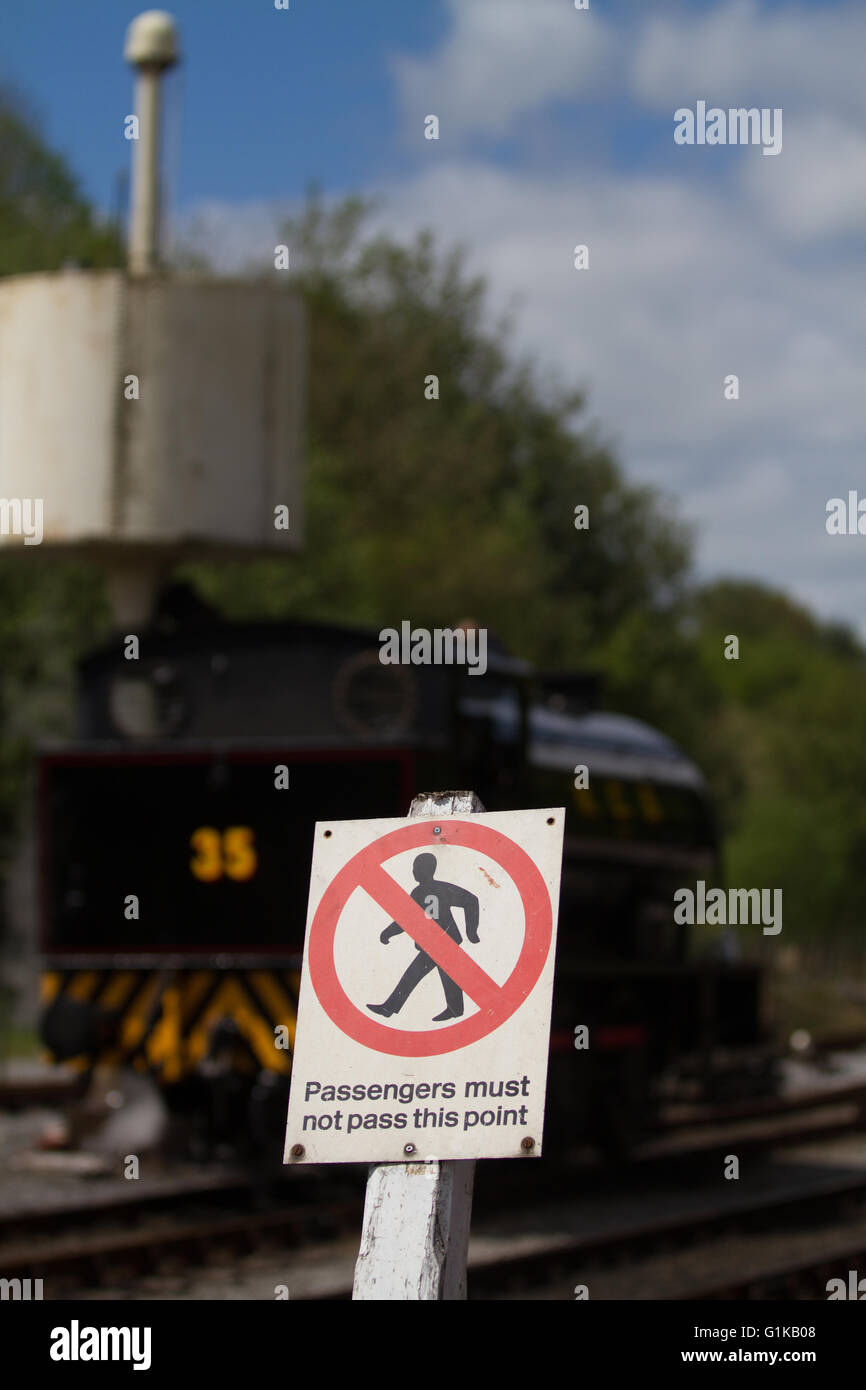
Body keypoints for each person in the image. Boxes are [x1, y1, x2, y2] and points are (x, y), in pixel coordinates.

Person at [368, 853, 480, 1021]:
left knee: (413, 976)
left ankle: (389, 1008)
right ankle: (455, 1010)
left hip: (438, 944)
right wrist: (471, 932)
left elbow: (405, 919)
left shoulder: (419, 892)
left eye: (416, 868)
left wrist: (471, 932)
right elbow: (471, 900)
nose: (413, 872)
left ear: (424, 870)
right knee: (448, 977)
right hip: (442, 942)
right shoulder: (441, 888)